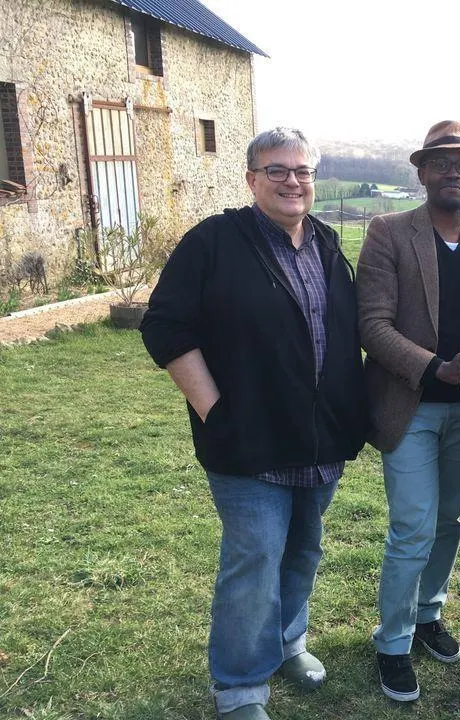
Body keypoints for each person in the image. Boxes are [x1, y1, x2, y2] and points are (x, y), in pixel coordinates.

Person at [140, 127, 366, 720]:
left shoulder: (325, 242)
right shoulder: (214, 242)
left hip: (318, 439)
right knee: (256, 559)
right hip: (246, 441)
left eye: (303, 171)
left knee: (303, 550)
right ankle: (240, 688)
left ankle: (287, 642)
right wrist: (214, 409)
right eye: (277, 171)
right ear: (251, 179)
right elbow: (164, 327)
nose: (293, 181)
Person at [356, 120, 460, 702]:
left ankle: (428, 614)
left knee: (448, 522)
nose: (454, 173)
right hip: (412, 407)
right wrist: (438, 367)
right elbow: (372, 324)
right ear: (422, 173)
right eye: (441, 163)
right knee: (413, 526)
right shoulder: (388, 232)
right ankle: (393, 642)